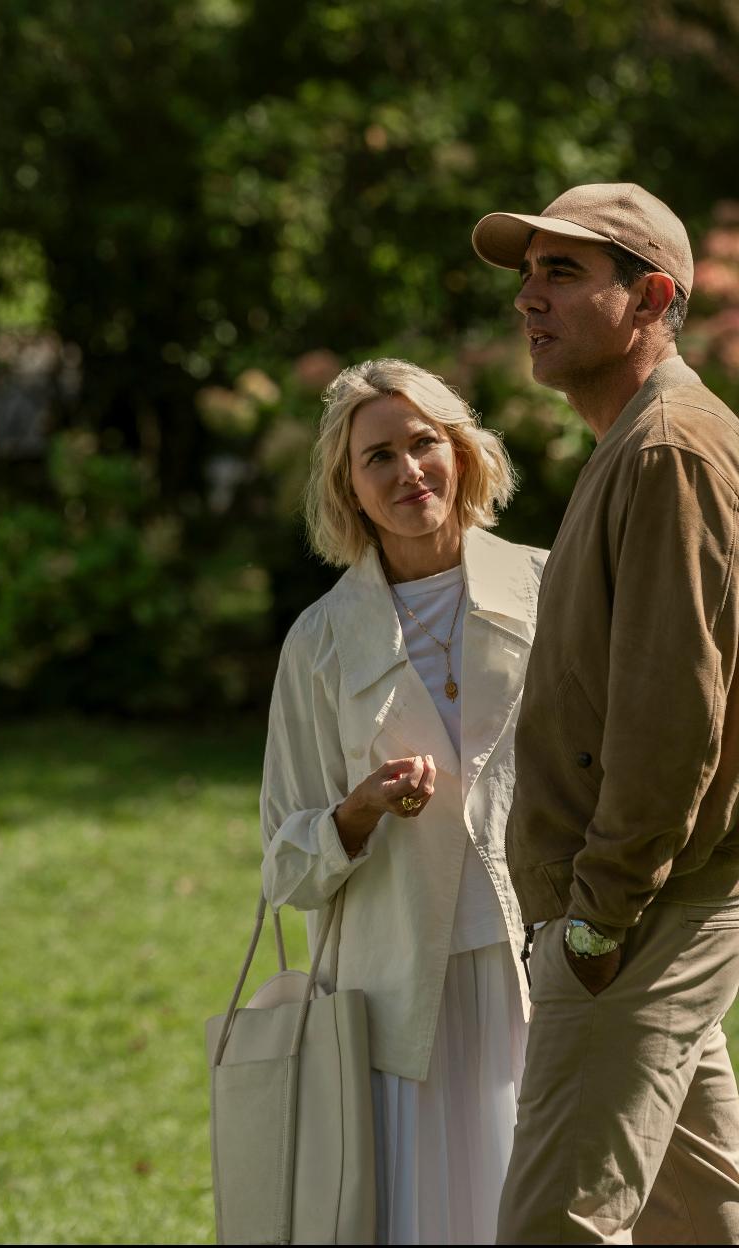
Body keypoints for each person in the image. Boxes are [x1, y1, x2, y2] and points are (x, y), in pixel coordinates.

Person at [471, 183, 739, 1243]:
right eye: (528, 273)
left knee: (555, 1227)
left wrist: (597, 917)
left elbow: (675, 711)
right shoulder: (637, 441)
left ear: (653, 298)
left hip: (639, 917)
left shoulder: (669, 449)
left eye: (564, 273)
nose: (529, 297)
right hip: (649, 909)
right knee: (701, 1221)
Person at [260, 357, 545, 1243]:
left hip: (536, 969)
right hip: (393, 1005)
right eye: (376, 456)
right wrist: (360, 811)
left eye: (423, 442)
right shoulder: (319, 643)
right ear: (348, 487)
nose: (407, 470)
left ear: (460, 451)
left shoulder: (550, 585)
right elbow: (284, 864)